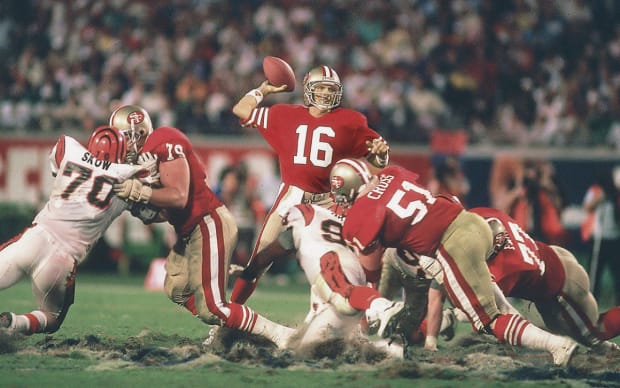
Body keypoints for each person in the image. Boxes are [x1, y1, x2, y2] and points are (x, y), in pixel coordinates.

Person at [331, 158, 580, 367]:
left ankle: (556, 345)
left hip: (452, 244)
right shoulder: (393, 174)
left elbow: (370, 267)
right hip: (471, 222)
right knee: (489, 300)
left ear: (349, 189)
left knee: (488, 321)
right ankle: (477, 319)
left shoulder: (359, 216)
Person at [110, 104, 295, 348]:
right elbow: (166, 213)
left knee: (213, 307)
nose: (125, 144)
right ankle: (233, 327)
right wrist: (141, 208)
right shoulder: (140, 165)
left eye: (129, 137)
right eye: (122, 138)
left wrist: (140, 191)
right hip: (190, 230)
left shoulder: (163, 139)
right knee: (176, 287)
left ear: (141, 133)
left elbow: (179, 196)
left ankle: (281, 335)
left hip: (208, 221)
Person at [231, 65, 390, 277]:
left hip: (329, 200)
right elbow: (241, 110)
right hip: (291, 195)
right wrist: (263, 90)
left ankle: (364, 303)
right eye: (321, 87)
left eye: (330, 89)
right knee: (258, 260)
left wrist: (380, 154)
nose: (326, 93)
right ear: (308, 89)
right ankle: (233, 308)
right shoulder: (285, 114)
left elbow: (378, 161)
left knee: (344, 259)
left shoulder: (350, 121)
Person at [0, 126, 154, 335]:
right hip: (62, 260)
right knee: (51, 319)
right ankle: (13, 324)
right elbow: (152, 213)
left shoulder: (69, 148)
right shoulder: (129, 176)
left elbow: (57, 167)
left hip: (35, 238)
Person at [229, 198, 407, 354]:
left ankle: (383, 308)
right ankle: (392, 349)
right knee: (315, 346)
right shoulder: (350, 227)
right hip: (350, 287)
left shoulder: (301, 217)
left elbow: (265, 257)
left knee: (310, 346)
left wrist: (248, 272)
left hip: (335, 269)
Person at [468, 206, 620, 350]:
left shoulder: (504, 269)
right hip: (551, 260)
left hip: (563, 286)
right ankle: (605, 351)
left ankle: (600, 346)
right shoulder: (490, 217)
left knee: (591, 335)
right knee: (558, 333)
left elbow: (485, 311)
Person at [582, 166, 620, 304]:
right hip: (599, 238)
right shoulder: (597, 191)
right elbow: (587, 207)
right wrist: (603, 195)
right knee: (594, 275)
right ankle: (590, 304)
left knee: (617, 275)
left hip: (616, 238)